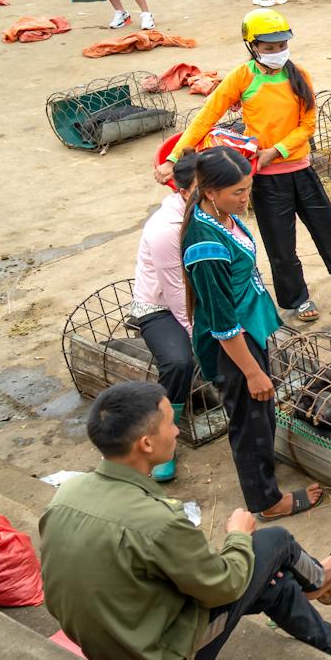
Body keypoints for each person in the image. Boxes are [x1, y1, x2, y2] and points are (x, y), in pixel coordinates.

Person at [38, 382, 331, 660]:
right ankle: (319, 579)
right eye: (170, 423)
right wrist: (238, 536)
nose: (177, 430)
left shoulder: (67, 494)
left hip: (110, 644)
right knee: (273, 542)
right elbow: (224, 587)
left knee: (275, 581)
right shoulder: (159, 522)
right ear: (147, 443)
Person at [162, 9, 331, 322]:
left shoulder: (299, 75)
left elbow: (308, 124)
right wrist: (174, 158)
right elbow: (207, 116)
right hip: (267, 179)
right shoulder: (243, 77)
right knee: (280, 244)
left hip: (300, 168)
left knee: (330, 230)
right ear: (252, 46)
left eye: (282, 44)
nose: (277, 52)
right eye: (269, 47)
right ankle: (296, 299)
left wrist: (278, 149)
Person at [178, 147, 329, 519]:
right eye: (238, 193)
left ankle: (263, 473)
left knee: (259, 410)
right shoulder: (205, 245)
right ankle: (266, 501)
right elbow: (222, 322)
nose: (246, 199)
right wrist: (252, 371)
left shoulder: (220, 215)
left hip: (250, 326)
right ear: (210, 191)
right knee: (248, 419)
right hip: (232, 345)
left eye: (248, 189)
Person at [130, 151, 201, 484]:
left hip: (199, 295)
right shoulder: (165, 228)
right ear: (183, 190)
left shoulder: (209, 212)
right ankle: (164, 434)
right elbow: (175, 292)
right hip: (160, 307)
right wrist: (198, 336)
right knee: (179, 362)